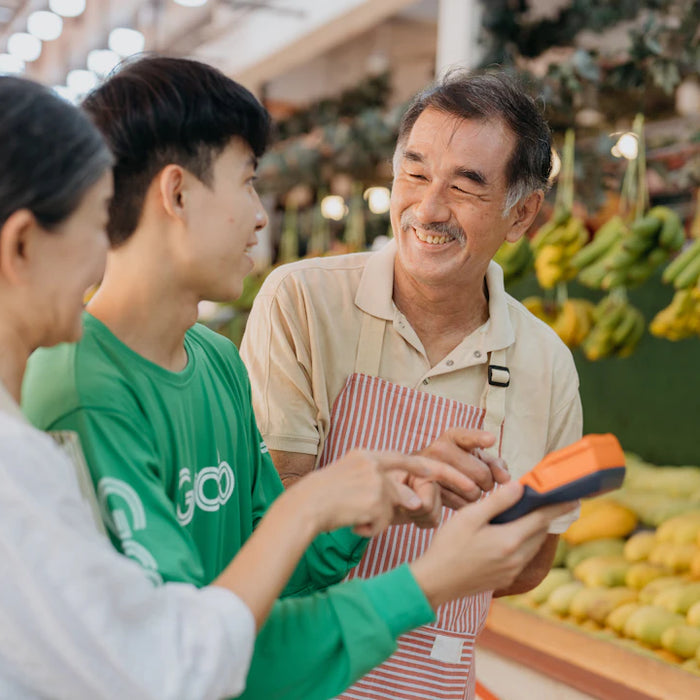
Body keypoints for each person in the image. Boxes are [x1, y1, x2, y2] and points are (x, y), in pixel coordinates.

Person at [17, 59, 575, 699]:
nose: (261, 217)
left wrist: (378, 494)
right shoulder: (80, 391)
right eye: (248, 183)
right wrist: (421, 580)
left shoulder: (217, 364)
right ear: (176, 194)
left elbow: (269, 575)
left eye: (465, 185)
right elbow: (182, 655)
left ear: (522, 213)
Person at [241, 70, 583, 700]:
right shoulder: (303, 302)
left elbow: (538, 557)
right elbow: (271, 510)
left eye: (466, 186)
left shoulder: (548, 363)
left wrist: (492, 537)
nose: (428, 209)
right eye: (416, 173)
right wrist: (404, 502)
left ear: (523, 214)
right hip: (298, 677)